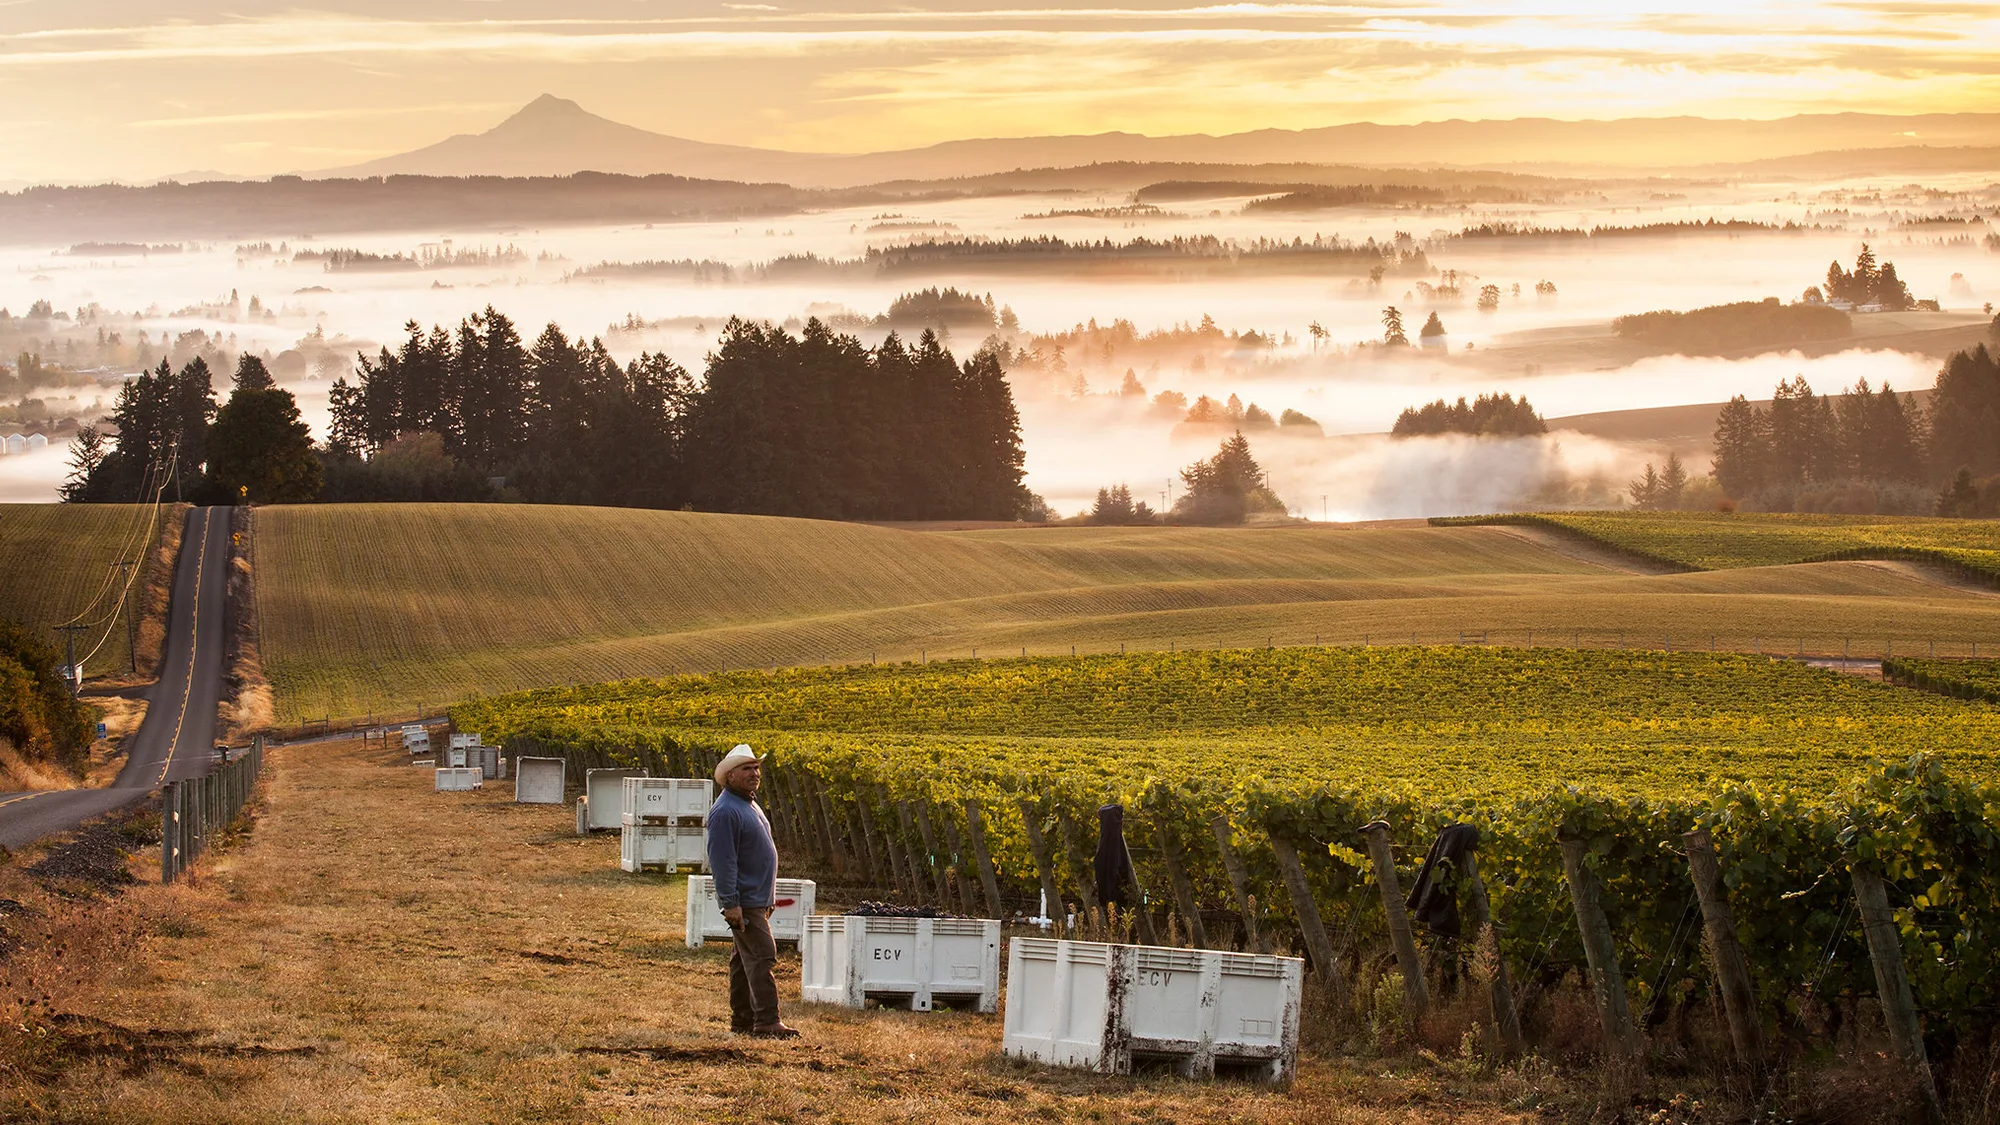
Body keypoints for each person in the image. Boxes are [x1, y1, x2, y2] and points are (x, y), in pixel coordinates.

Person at [707, 744, 798, 1039]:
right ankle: (767, 1021)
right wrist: (731, 903)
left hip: (756, 899)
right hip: (744, 901)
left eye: (756, 768)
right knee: (762, 954)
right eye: (747, 769)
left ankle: (743, 1020)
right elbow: (723, 861)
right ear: (730, 776)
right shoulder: (725, 811)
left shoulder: (747, 803)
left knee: (743, 959)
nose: (754, 774)